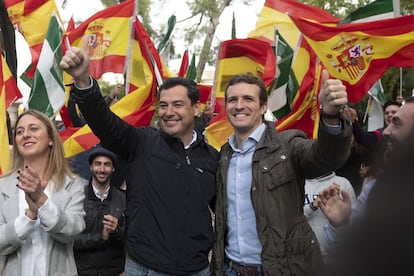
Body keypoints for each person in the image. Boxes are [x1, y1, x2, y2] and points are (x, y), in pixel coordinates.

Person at [60, 36, 220, 275]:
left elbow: (225, 212)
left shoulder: (213, 158)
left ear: (196, 108)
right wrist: (83, 80)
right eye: (163, 105)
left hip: (195, 269)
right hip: (143, 267)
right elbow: (104, 122)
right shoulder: (142, 142)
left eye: (177, 105)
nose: (168, 112)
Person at [212, 72, 352, 275]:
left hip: (281, 269)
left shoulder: (288, 145)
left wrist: (330, 116)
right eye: (232, 100)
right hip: (230, 269)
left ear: (263, 107)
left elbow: (327, 158)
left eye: (248, 99)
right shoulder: (223, 155)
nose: (239, 105)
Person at [319, 96, 414, 276]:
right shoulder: (376, 189)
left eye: (398, 123)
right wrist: (340, 223)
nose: (387, 132)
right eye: (388, 118)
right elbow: (343, 250)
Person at [0, 109, 86, 275]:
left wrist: (41, 201)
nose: (25, 135)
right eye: (19, 131)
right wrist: (29, 217)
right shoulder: (2, 185)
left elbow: (74, 230)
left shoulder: (72, 184)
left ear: (51, 139)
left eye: (33, 129)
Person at [74, 146, 126, 276]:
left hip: (115, 271)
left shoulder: (123, 199)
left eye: (107, 165)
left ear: (113, 168)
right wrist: (100, 237)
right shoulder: (77, 197)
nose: (102, 169)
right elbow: (69, 239)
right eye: (98, 164)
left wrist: (117, 230)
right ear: (91, 167)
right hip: (82, 271)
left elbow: (132, 238)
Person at [303, 172, 356, 264]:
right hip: (306, 256)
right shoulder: (299, 184)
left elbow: (355, 223)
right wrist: (312, 206)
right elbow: (290, 218)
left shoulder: (343, 183)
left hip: (337, 255)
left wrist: (340, 218)